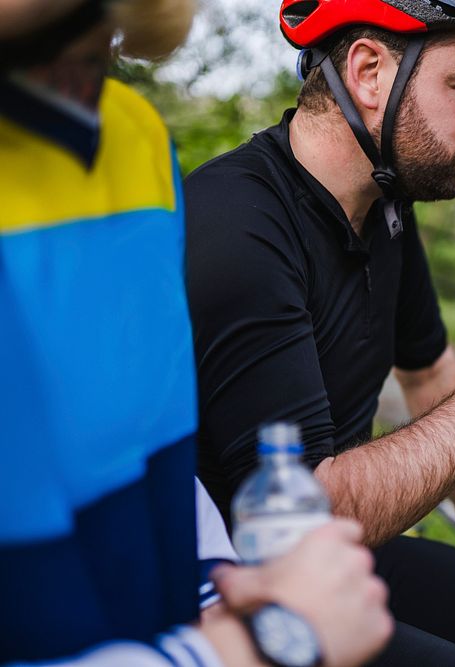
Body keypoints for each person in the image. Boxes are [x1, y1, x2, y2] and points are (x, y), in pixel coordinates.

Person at [184, 1, 455, 665]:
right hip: (238, 589)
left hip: (337, 557)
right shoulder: (237, 225)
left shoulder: (384, 207)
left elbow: (428, 365)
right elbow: (308, 512)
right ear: (368, 72)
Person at [0, 1, 392, 665]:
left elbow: (151, 442)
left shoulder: (132, 135)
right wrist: (261, 644)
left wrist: (218, 582)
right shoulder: (242, 211)